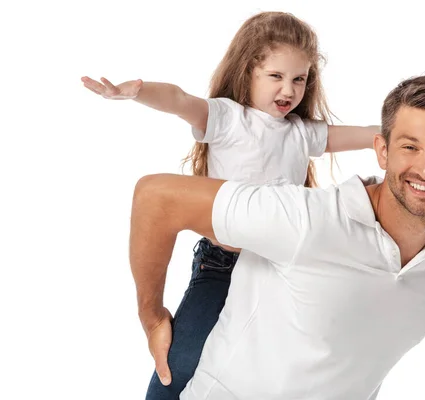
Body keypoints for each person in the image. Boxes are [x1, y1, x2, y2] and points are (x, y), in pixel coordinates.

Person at [81, 11, 381, 399]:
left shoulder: (302, 134)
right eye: (276, 76)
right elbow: (177, 99)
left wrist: (418, 136)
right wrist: (136, 92)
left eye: (299, 79)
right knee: (183, 362)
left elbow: (370, 134)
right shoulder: (227, 118)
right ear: (249, 71)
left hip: (281, 268)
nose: (288, 89)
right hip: (222, 264)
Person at [129, 74, 425, 399]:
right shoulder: (307, 221)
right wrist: (153, 316)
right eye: (410, 146)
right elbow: (156, 198)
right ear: (382, 150)